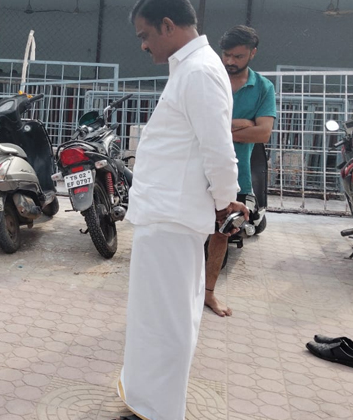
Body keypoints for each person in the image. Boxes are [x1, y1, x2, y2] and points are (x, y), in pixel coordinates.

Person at [116, 1, 249, 419]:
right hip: (166, 213)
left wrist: (228, 199)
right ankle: (144, 398)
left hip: (173, 216)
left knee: (167, 320)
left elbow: (218, 149)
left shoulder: (201, 71)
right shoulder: (192, 68)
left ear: (168, 25)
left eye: (145, 35)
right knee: (155, 315)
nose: (142, 45)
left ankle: (159, 410)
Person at [204, 25, 276, 317]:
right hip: (198, 170)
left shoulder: (263, 87)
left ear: (253, 53)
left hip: (236, 175)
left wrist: (223, 128)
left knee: (221, 233)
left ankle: (208, 294)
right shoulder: (209, 77)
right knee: (188, 232)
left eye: (238, 56)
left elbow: (263, 134)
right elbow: (197, 127)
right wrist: (243, 123)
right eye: (226, 54)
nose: (230, 61)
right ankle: (179, 292)